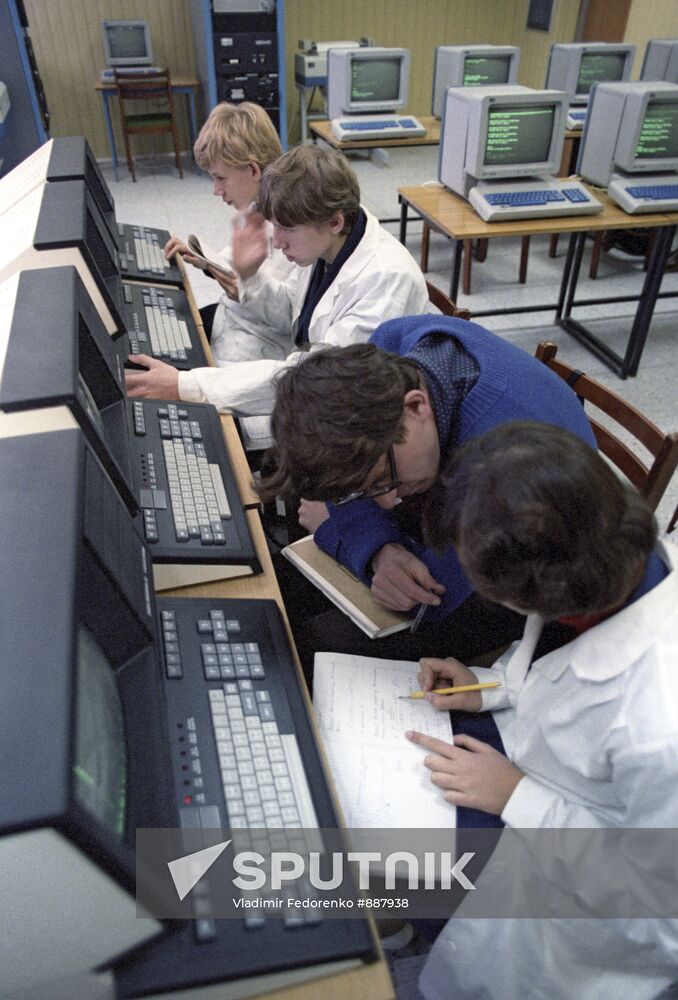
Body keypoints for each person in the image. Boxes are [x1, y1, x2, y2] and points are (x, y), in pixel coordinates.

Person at [401, 421, 678, 1000]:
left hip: (575, 918)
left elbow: (662, 917)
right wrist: (494, 686)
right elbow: (565, 662)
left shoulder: (659, 728)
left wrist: (516, 797)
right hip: (544, 783)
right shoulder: (609, 556)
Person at [258, 314, 597, 677]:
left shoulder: (505, 464)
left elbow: (433, 597)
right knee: (276, 593)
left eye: (384, 479)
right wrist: (379, 549)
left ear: (417, 406)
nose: (386, 501)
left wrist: (338, 535)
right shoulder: (394, 353)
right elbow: (356, 495)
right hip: (448, 521)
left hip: (527, 584)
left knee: (313, 648)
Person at [125, 144, 430, 416]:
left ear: (335, 221)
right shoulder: (329, 237)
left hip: (350, 412)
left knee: (202, 414)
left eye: (287, 229)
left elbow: (315, 377)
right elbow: (291, 315)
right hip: (316, 379)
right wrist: (250, 276)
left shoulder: (386, 280)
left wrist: (186, 385)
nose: (278, 242)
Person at [164, 101, 295, 365]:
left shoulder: (292, 227)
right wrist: (207, 261)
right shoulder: (258, 206)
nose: (216, 190)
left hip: (259, 349)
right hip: (237, 324)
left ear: (253, 170)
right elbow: (252, 263)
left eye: (220, 178)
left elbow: (290, 316)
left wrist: (244, 283)